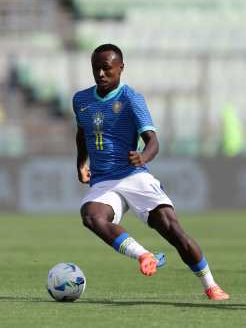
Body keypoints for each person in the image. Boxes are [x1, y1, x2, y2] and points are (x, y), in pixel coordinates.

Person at [73, 43, 229, 300]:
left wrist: (142, 157)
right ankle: (144, 255)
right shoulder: (81, 100)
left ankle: (211, 285)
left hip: (133, 175)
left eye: (106, 68)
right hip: (103, 181)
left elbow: (153, 141)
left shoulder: (131, 99)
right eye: (96, 68)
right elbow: (82, 134)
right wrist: (81, 163)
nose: (100, 74)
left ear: (120, 68)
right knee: (91, 216)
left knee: (171, 229)